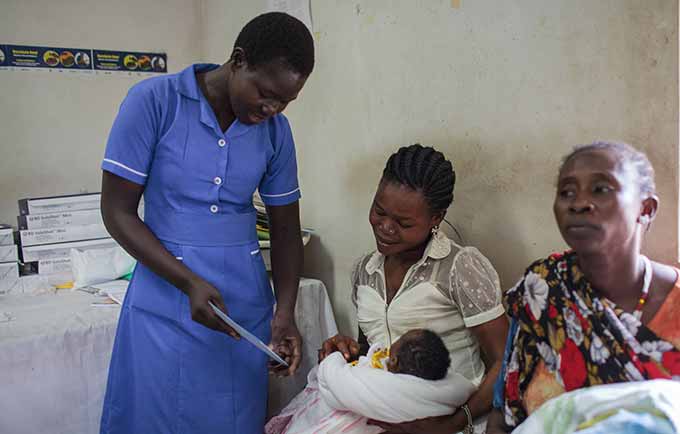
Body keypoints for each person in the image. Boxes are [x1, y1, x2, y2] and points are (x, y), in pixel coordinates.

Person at [98, 12, 314, 434]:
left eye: (284, 102)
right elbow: (117, 212)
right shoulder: (154, 102)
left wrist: (284, 312)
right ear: (238, 60)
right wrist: (188, 282)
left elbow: (286, 229)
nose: (271, 109)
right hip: (164, 297)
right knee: (154, 418)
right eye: (265, 93)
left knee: (231, 419)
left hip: (242, 307)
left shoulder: (275, 132)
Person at [487, 141, 680, 433]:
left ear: (646, 208)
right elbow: (502, 418)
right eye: (567, 192)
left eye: (601, 189)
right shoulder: (543, 289)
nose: (578, 203)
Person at [318, 144, 510, 433]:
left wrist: (453, 423)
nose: (385, 227)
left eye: (403, 222)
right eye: (379, 211)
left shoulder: (459, 268)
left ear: (436, 218)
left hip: (448, 418)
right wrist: (348, 351)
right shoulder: (365, 271)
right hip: (383, 411)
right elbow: (378, 352)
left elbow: (507, 360)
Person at [267, 329, 477, 434]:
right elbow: (460, 389)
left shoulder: (382, 385)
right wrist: (353, 351)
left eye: (400, 339)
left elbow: (337, 382)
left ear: (393, 360)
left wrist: (333, 360)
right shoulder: (442, 390)